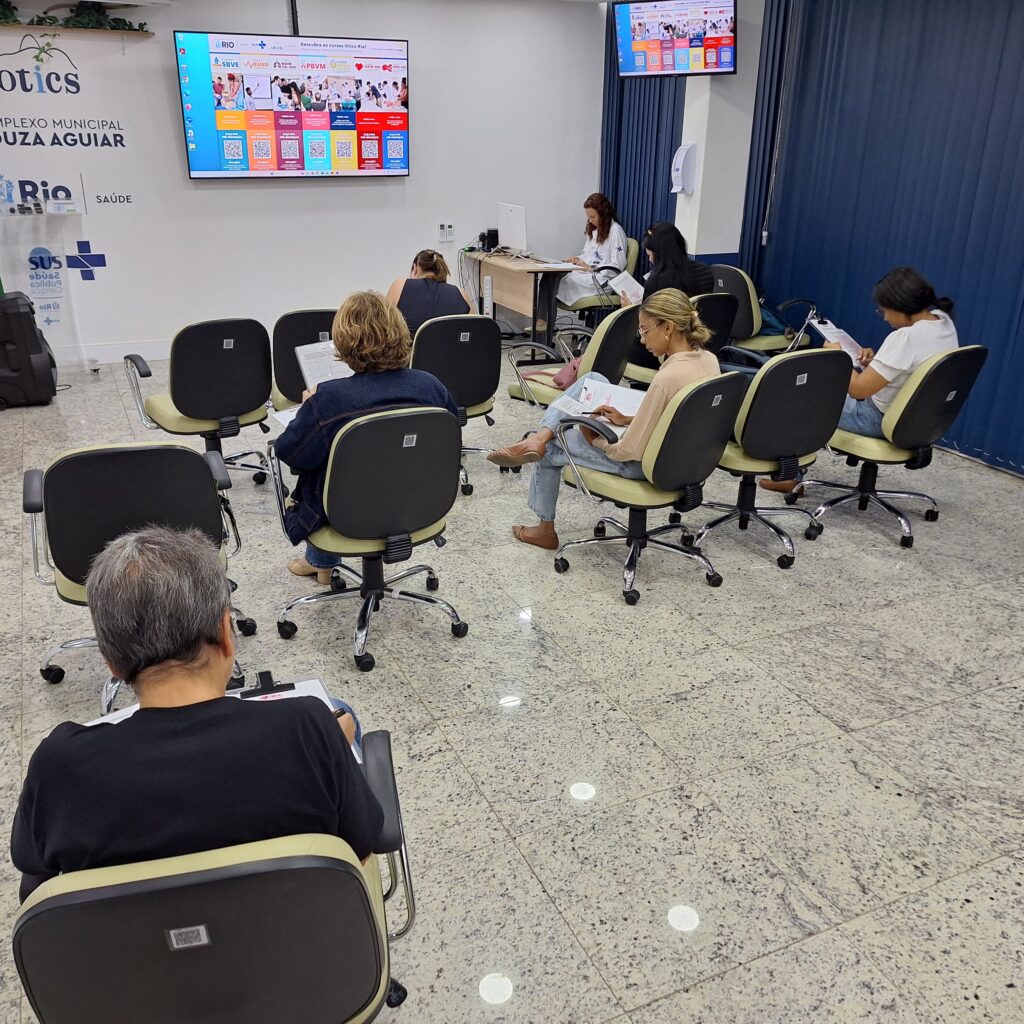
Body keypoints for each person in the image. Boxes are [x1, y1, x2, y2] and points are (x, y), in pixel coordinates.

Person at [11, 526, 382, 903]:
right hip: (298, 936)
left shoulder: (59, 767)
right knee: (343, 712)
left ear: (112, 663)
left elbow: (38, 893)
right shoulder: (306, 728)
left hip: (135, 943)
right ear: (226, 633)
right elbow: (361, 850)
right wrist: (331, 748)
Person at [487, 289, 720, 549]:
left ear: (668, 328)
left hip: (646, 467)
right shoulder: (708, 360)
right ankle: (540, 436)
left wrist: (595, 440)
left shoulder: (667, 379)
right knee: (592, 379)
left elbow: (628, 451)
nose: (642, 340)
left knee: (554, 444)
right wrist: (629, 419)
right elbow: (677, 417)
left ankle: (544, 528)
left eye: (645, 330)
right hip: (685, 463)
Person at [278, 291, 458, 583]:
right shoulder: (431, 387)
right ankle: (320, 562)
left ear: (343, 341)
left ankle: (321, 563)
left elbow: (291, 453)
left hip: (346, 515)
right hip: (419, 507)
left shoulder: (329, 399)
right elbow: (448, 440)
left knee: (322, 462)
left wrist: (307, 409)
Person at [762, 266, 959, 493]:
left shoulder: (906, 337)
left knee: (798, 395)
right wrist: (873, 364)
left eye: (884, 310)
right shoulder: (943, 322)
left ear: (901, 306)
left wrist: (839, 356)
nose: (885, 317)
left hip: (876, 419)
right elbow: (910, 371)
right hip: (918, 421)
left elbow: (858, 390)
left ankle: (790, 476)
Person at [629, 222, 715, 368]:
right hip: (699, 345)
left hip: (664, 350)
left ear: (660, 253)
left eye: (650, 255)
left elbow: (647, 326)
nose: (650, 260)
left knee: (619, 345)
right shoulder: (705, 272)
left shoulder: (656, 282)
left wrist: (631, 309)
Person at [554, 193, 628, 306]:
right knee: (553, 277)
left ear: (603, 214)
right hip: (588, 274)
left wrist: (590, 268)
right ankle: (544, 316)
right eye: (588, 217)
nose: (590, 221)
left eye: (593, 217)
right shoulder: (594, 230)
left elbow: (616, 267)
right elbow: (587, 255)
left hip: (602, 280)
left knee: (560, 282)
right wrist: (577, 260)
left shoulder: (616, 232)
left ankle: (545, 316)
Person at [386, 250, 472, 337]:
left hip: (409, 345)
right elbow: (475, 331)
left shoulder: (399, 286)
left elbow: (383, 327)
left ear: (415, 268)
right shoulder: (462, 294)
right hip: (451, 346)